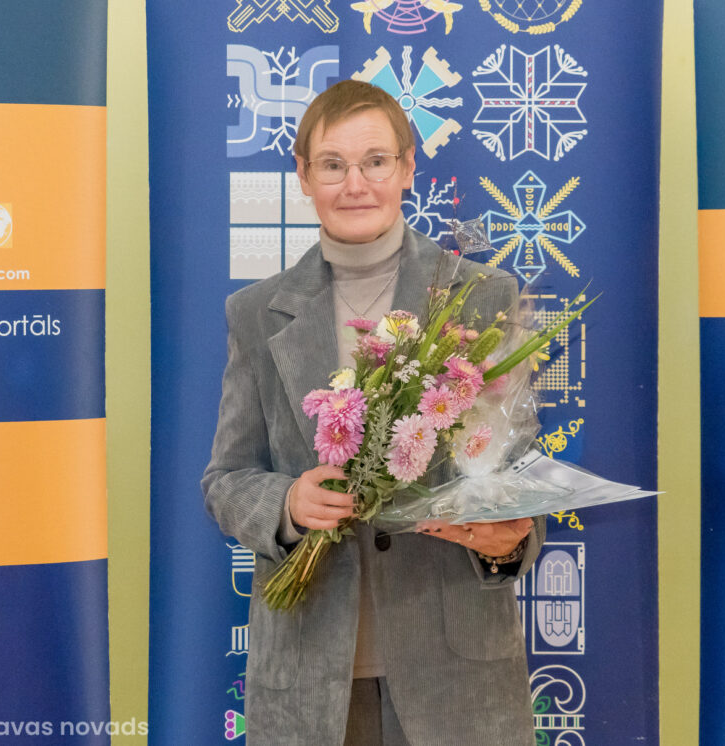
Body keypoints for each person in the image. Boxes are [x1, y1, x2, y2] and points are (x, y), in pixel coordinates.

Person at [202, 79, 544, 746]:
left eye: (375, 162)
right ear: (304, 175)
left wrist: (510, 539)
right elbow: (226, 479)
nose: (355, 184)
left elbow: (517, 469)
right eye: (333, 164)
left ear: (408, 167)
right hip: (310, 678)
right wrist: (287, 504)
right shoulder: (255, 313)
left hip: (456, 675)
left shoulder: (483, 297)